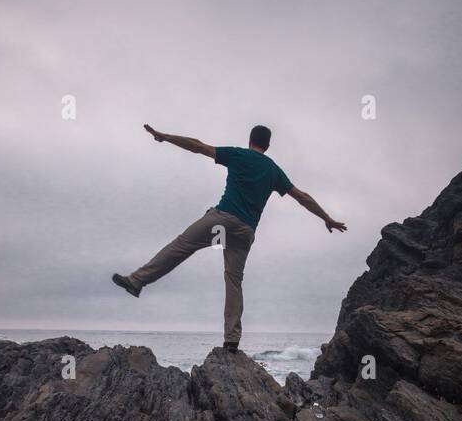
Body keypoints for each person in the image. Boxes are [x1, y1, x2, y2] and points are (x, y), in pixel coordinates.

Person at [113, 123, 346, 351]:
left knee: (182, 245)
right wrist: (327, 219)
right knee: (233, 280)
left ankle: (137, 281)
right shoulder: (274, 170)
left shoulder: (238, 155)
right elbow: (302, 196)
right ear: (267, 145)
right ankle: (232, 338)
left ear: (250, 140)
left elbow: (197, 146)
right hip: (245, 233)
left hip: (222, 221)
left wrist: (164, 137)